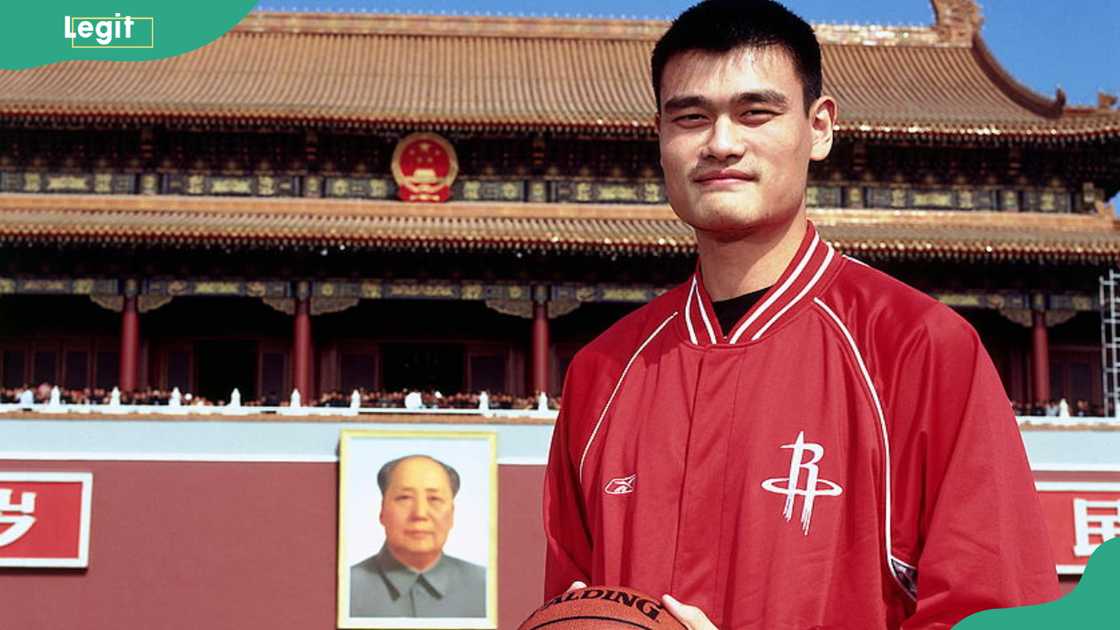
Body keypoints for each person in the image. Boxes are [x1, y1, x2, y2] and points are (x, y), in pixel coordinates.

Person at [542, 1, 1060, 628]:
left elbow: (996, 612)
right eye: (690, 117)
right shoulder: (603, 372)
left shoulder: (917, 347)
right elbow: (570, 608)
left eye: (755, 112)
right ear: (659, 136)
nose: (721, 143)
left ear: (819, 128)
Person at [350, 455, 486, 618]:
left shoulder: (486, 586)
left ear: (452, 515)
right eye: (405, 498)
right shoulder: (346, 588)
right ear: (382, 511)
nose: (420, 513)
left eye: (434, 499)